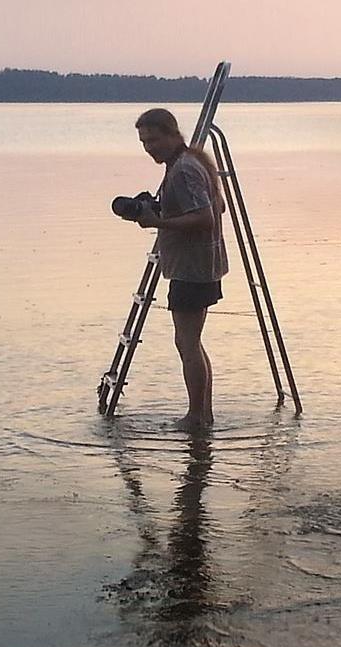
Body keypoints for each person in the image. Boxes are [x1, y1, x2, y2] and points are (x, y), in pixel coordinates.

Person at [130, 108, 228, 431]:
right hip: (200, 266)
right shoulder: (190, 162)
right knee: (191, 342)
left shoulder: (184, 168)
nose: (149, 148)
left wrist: (159, 221)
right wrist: (162, 208)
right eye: (144, 142)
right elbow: (217, 206)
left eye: (154, 140)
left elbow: (205, 218)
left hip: (192, 268)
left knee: (186, 343)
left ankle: (196, 416)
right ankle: (204, 414)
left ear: (173, 134)